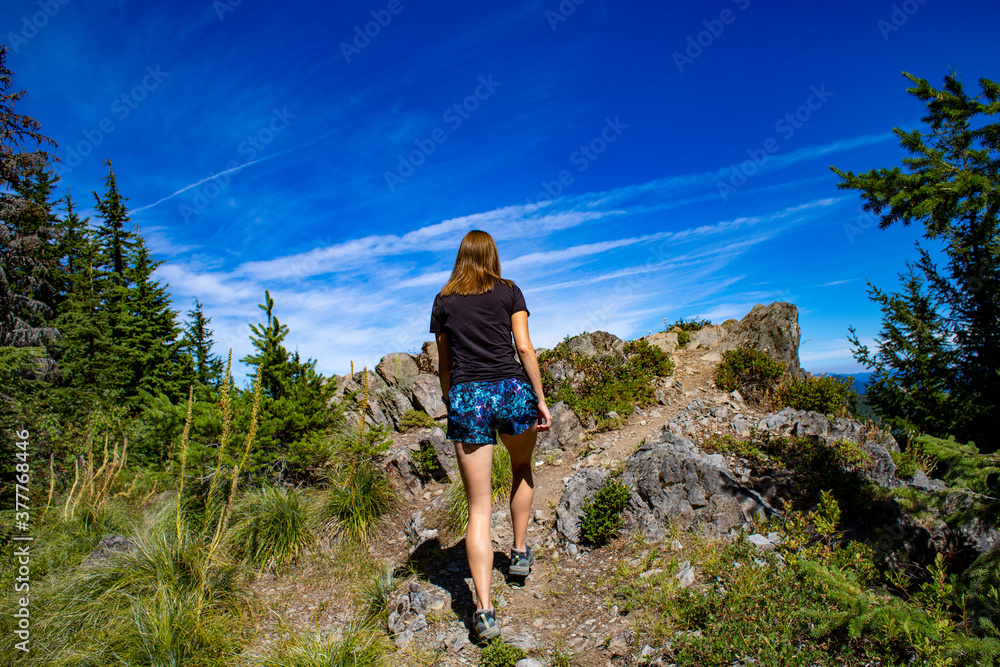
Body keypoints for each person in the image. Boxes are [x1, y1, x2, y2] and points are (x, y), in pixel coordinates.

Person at [429, 229, 552, 641]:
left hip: (469, 397)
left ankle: (483, 611)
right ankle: (518, 554)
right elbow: (525, 348)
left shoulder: (444, 300)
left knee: (478, 507)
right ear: (492, 255)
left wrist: (453, 399)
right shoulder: (510, 291)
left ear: (461, 256)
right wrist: (540, 397)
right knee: (521, 466)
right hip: (512, 390)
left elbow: (444, 365)